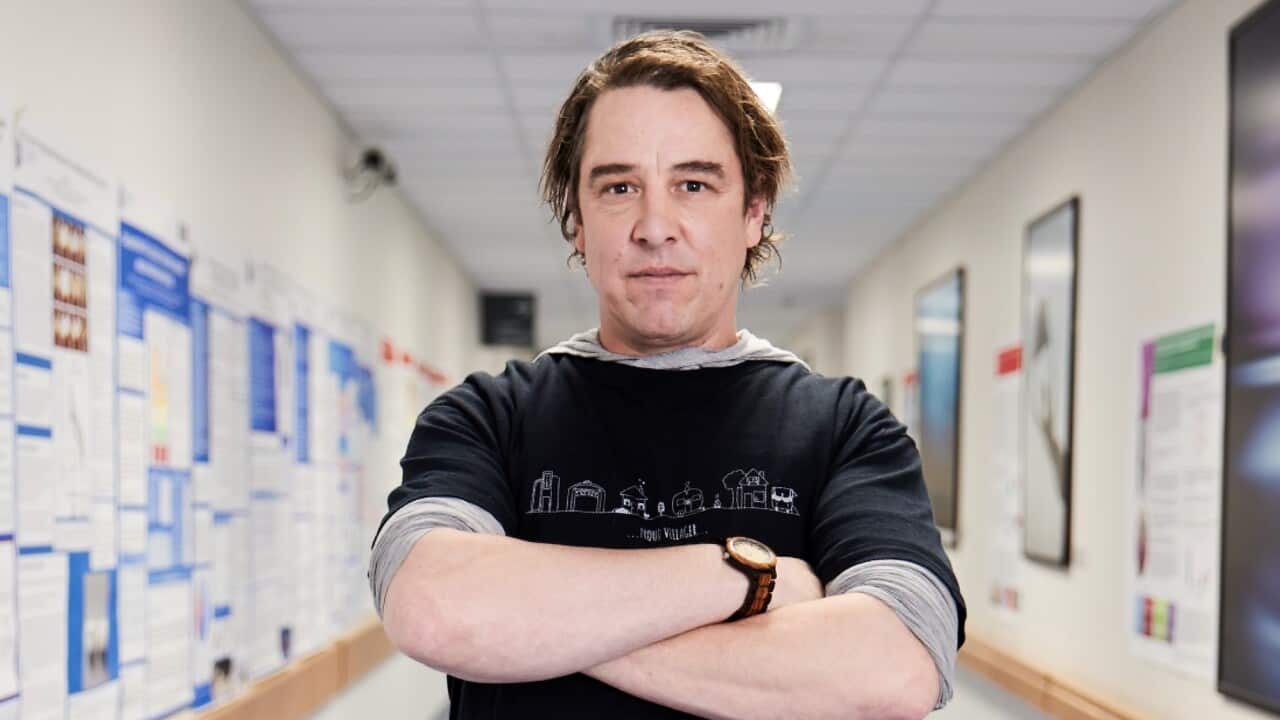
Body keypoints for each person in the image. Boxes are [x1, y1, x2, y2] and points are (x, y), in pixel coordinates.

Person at [369, 30, 965, 720]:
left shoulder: (846, 430)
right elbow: (434, 608)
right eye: (619, 187)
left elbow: (893, 670)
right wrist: (747, 577)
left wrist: (535, 629)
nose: (656, 226)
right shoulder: (487, 419)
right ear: (576, 220)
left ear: (754, 213)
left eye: (694, 184)